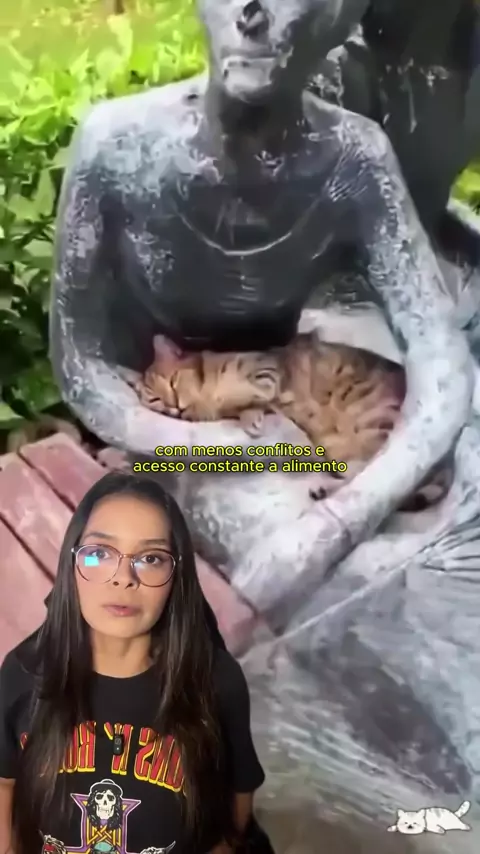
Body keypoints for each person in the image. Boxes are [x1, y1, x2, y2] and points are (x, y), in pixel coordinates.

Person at [0, 471, 267, 854]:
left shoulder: (216, 681)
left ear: (177, 577)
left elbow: (238, 803)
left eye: (151, 558)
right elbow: (4, 784)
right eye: (99, 553)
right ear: (71, 566)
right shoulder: (23, 673)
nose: (124, 578)